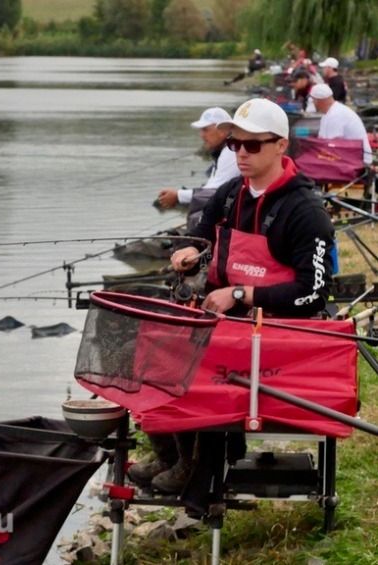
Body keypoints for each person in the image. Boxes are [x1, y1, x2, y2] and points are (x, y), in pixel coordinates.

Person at [129, 98, 335, 494]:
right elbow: (201, 239)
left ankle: (195, 471)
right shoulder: (228, 194)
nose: (241, 152)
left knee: (198, 362)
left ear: (281, 145)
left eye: (253, 145)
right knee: (151, 342)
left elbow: (312, 294)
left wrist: (241, 293)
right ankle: (171, 452)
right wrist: (191, 255)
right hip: (228, 324)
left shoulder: (306, 211)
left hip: (280, 335)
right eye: (234, 144)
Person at [156, 108, 240, 229]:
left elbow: (215, 192)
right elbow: (210, 188)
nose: (202, 135)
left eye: (205, 130)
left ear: (222, 131)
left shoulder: (231, 152)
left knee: (198, 220)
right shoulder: (223, 150)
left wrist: (178, 195)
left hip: (231, 210)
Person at [312, 83, 373, 165]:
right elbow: (322, 141)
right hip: (348, 156)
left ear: (317, 100)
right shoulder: (329, 113)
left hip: (359, 160)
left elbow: (330, 146)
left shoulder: (336, 114)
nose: (313, 103)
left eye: (313, 100)